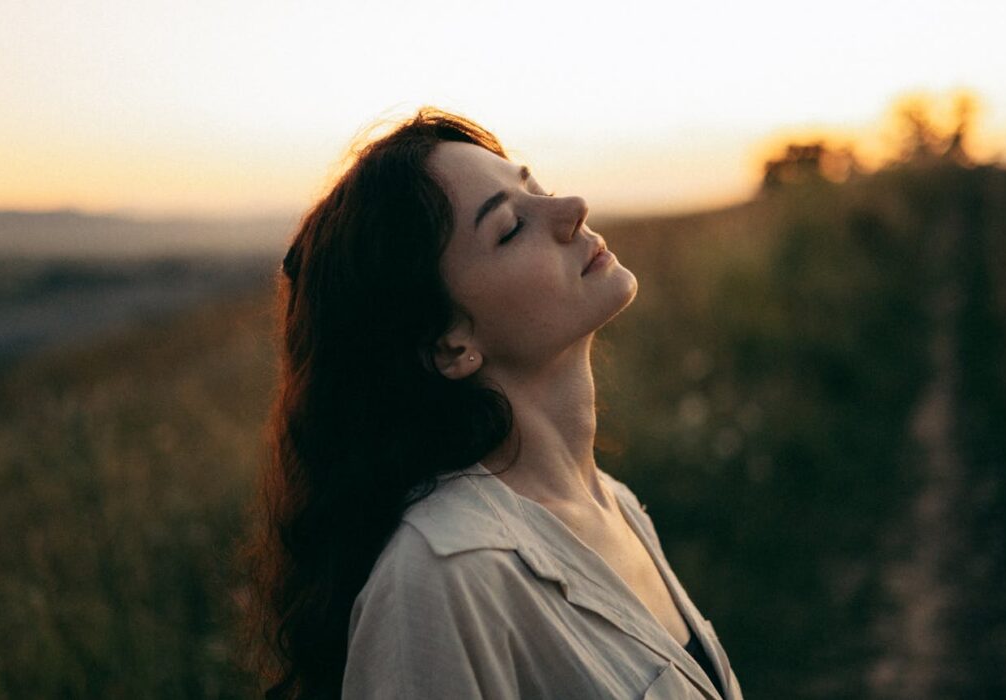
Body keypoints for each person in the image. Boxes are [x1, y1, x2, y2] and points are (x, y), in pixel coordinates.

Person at [243, 108, 744, 699]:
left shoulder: (615, 502)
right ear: (450, 344)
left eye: (538, 190)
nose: (572, 207)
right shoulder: (443, 576)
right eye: (510, 227)